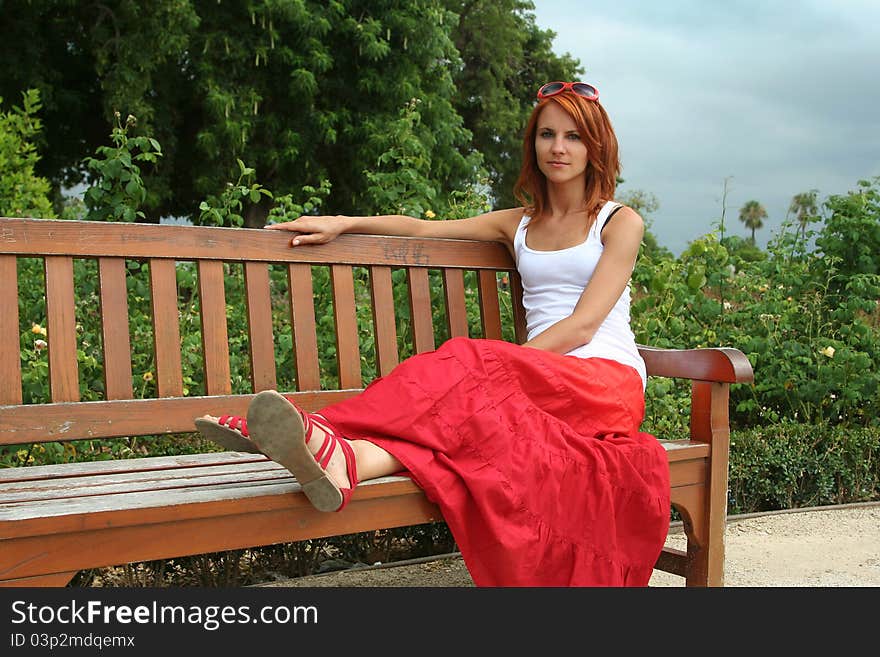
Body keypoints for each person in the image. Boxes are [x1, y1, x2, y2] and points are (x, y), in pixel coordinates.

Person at [195, 81, 671, 586]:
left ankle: (317, 428)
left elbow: (584, 324)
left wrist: (503, 372)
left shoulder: (619, 222)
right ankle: (345, 459)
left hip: (605, 380)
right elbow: (424, 230)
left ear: (595, 146)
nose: (558, 147)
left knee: (470, 368)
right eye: (547, 134)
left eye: (573, 136)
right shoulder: (519, 224)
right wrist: (347, 222)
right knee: (456, 437)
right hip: (539, 382)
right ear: (532, 143)